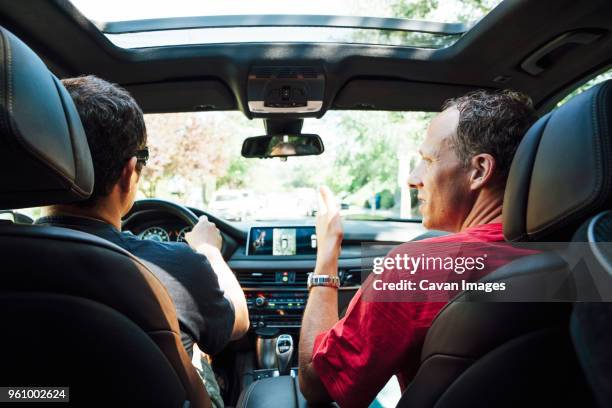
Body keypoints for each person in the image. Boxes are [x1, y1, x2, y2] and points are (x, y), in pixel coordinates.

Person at [298, 90, 538, 407]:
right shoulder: (586, 259)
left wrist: (327, 257)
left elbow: (317, 386)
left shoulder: (417, 267)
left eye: (427, 161)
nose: (413, 179)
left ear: (479, 170)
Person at [36, 75, 249, 407]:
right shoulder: (173, 266)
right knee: (198, 356)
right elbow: (239, 322)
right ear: (129, 171)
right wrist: (209, 251)